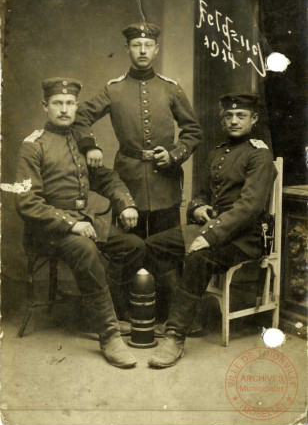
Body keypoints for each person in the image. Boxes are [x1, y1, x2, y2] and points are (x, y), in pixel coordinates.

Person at [73, 22, 203, 322]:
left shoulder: (170, 88)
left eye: (148, 45)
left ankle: (168, 315)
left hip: (165, 184)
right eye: (136, 45)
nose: (142, 50)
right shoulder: (114, 89)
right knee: (128, 250)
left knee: (167, 251)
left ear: (156, 49)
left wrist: (173, 154)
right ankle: (123, 314)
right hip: (126, 183)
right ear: (128, 49)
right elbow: (81, 117)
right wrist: (90, 145)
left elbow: (193, 131)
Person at [16, 77, 146, 369]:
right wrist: (70, 225)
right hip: (47, 230)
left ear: (76, 106)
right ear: (45, 106)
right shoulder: (33, 146)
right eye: (58, 103)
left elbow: (106, 178)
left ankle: (99, 314)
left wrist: (126, 203)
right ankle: (110, 334)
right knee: (86, 250)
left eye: (70, 103)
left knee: (133, 246)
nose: (64, 109)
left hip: (85, 223)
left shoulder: (81, 143)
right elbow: (27, 203)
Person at [145, 93, 277, 368]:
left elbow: (249, 208)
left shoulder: (260, 154)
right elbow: (202, 193)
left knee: (198, 257)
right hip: (215, 227)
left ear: (254, 119)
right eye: (229, 116)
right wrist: (197, 209)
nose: (234, 121)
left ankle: (175, 335)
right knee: (154, 245)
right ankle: (188, 318)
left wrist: (208, 236)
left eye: (241, 116)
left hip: (246, 236)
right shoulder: (217, 152)